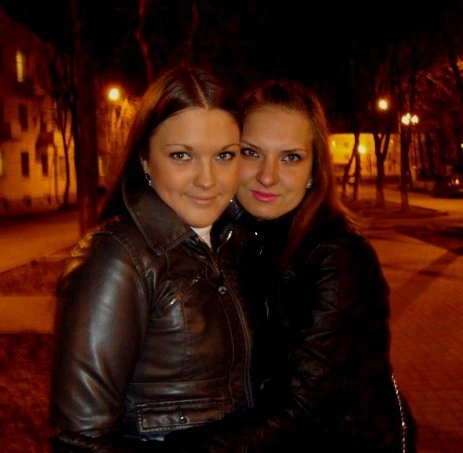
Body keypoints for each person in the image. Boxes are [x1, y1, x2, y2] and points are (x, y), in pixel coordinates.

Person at [165, 79, 415, 452]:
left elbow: (304, 410)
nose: (267, 176)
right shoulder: (237, 239)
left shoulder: (336, 257)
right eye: (251, 153)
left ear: (314, 170)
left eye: (291, 158)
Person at [49, 64, 255, 451]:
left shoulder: (228, 242)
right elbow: (80, 440)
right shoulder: (117, 259)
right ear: (145, 159)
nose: (207, 179)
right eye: (182, 156)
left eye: (225, 155)